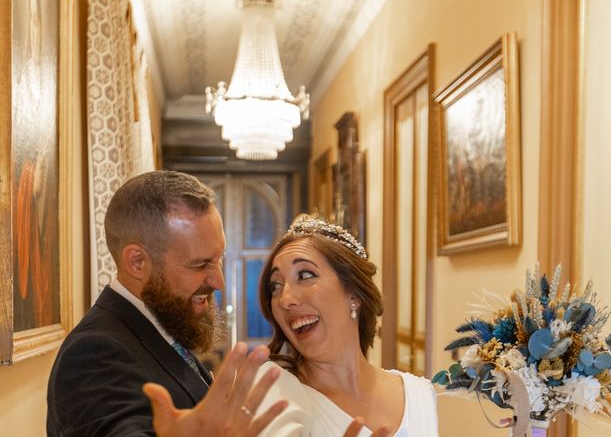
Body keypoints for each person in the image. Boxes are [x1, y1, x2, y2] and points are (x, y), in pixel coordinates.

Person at [47, 170, 286, 436]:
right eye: (200, 264)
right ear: (137, 262)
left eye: (219, 259)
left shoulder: (163, 324)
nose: (218, 281)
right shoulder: (93, 353)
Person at [254, 215, 439, 436]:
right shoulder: (276, 392)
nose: (285, 299)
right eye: (275, 286)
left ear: (354, 294)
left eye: (304, 275)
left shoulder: (419, 394)